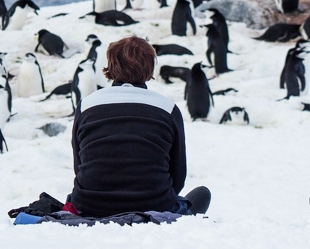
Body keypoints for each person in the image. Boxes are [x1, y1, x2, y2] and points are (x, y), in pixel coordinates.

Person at [68, 36, 210, 218]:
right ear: (150, 66)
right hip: (155, 205)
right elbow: (178, 175)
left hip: (90, 205)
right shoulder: (167, 108)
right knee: (201, 195)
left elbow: (79, 165)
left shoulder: (87, 105)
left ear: (110, 65)